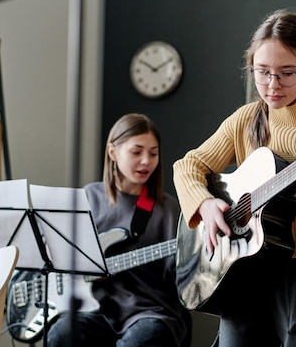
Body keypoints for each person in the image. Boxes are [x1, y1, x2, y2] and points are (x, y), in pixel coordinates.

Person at [173, 9, 296, 347]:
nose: (272, 85)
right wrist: (204, 205)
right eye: (262, 73)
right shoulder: (246, 119)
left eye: (287, 73)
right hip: (245, 267)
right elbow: (188, 166)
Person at [48, 113, 191, 347]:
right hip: (93, 308)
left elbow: (179, 278)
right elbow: (51, 249)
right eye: (137, 152)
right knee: (61, 334)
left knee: (143, 338)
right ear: (113, 151)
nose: (146, 161)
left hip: (149, 310)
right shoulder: (88, 197)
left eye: (153, 153)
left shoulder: (169, 208)